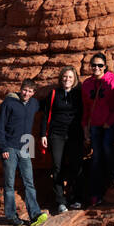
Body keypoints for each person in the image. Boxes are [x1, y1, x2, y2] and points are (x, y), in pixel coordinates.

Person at [0, 79, 49, 226]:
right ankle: (11, 216)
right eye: (24, 90)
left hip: (27, 145)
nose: (26, 93)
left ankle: (35, 215)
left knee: (29, 182)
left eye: (30, 91)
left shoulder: (34, 103)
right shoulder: (9, 103)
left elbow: (47, 107)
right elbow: (0, 128)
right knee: (9, 183)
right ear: (21, 89)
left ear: (34, 93)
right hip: (10, 147)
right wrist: (3, 148)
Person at [82, 51, 114, 206]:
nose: (96, 68)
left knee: (107, 146)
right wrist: (85, 128)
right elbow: (86, 109)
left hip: (112, 123)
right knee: (96, 157)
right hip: (95, 125)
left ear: (105, 67)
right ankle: (95, 194)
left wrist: (109, 121)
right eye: (93, 65)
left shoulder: (112, 80)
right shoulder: (87, 84)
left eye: (100, 65)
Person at [40, 65, 84, 213]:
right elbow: (46, 115)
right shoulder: (54, 93)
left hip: (74, 134)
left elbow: (85, 114)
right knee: (57, 166)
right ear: (61, 78)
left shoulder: (78, 94)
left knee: (75, 165)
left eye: (70, 77)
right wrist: (43, 135)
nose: (67, 79)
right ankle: (60, 201)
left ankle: (76, 197)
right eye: (65, 77)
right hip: (56, 134)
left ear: (74, 79)